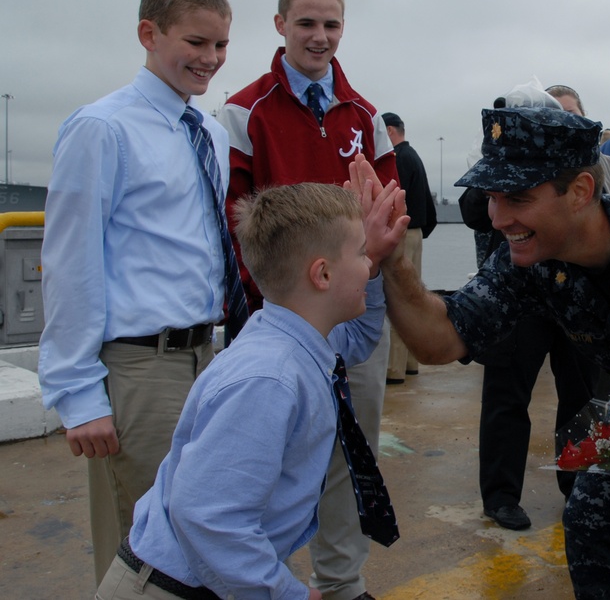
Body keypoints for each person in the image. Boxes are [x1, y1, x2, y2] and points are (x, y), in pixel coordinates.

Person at [353, 105, 610, 599]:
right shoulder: (528, 260)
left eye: (518, 197)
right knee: (593, 528)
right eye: (491, 197)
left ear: (581, 191)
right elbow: (441, 339)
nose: (498, 217)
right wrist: (391, 261)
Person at [95, 182, 408, 600]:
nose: (370, 264)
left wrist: (379, 257)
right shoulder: (268, 379)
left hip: (208, 580)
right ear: (323, 274)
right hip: (171, 589)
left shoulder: (294, 336)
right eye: (361, 254)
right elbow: (209, 518)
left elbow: (361, 336)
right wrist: (284, 593)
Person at [37, 0, 241, 581]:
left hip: (206, 356)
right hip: (140, 368)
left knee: (203, 531)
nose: (210, 59)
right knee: (145, 549)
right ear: (149, 34)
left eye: (221, 45)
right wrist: (78, 395)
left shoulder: (207, 131)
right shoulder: (103, 129)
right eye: (196, 42)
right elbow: (71, 263)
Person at [218, 0, 398, 600]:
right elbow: (234, 223)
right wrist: (273, 308)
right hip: (282, 320)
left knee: (351, 457)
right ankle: (267, 586)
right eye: (306, 24)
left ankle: (342, 585)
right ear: (280, 26)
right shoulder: (244, 112)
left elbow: (387, 212)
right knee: (274, 460)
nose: (320, 38)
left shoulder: (366, 117)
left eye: (331, 25)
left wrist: (372, 239)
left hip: (354, 304)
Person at [465, 84, 610, 532]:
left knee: (585, 398)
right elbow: (477, 211)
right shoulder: (506, 164)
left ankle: (580, 489)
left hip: (580, 297)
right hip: (520, 296)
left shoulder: (598, 167)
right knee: (506, 396)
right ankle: (500, 496)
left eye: (572, 117)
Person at [382, 112, 436, 384]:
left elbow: (391, 198)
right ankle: (411, 363)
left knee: (396, 296)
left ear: (390, 131)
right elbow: (427, 201)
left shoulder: (398, 159)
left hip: (401, 232)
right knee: (412, 294)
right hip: (414, 232)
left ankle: (395, 369)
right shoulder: (413, 156)